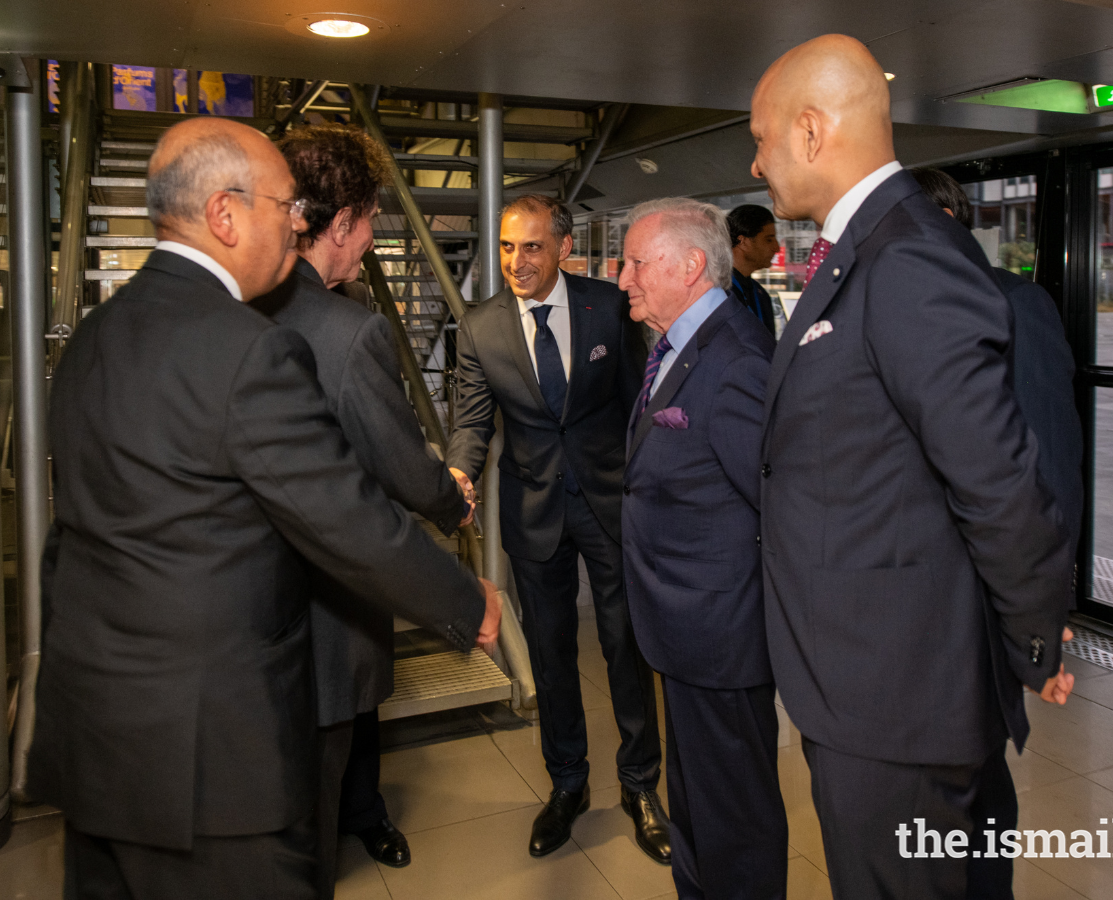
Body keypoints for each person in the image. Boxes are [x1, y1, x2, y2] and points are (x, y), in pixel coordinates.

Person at [29, 117, 501, 900]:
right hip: (209, 755)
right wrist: (465, 600)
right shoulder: (248, 349)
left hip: (96, 735)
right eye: (284, 205)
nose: (295, 221)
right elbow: (350, 522)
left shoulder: (95, 334)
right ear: (224, 214)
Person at [747, 35, 1075, 899]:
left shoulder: (908, 258)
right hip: (865, 680)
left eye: (763, 137)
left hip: (895, 699)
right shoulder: (864, 251)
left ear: (812, 131)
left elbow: (997, 479)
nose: (756, 159)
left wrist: (1032, 635)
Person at [252, 124, 473, 895]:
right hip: (326, 606)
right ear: (340, 221)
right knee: (310, 801)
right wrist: (452, 498)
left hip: (242, 614)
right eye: (371, 222)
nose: (373, 241)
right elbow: (402, 468)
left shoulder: (237, 306)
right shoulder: (350, 333)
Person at [445, 194, 670, 863]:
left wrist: (653, 487)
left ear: (564, 247)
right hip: (534, 510)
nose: (517, 262)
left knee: (626, 643)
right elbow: (472, 421)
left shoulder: (608, 305)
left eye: (533, 247)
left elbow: (640, 403)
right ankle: (567, 783)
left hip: (610, 503)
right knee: (551, 651)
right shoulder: (479, 326)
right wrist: (459, 472)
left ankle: (640, 786)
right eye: (508, 247)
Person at [911, 166, 1084, 900]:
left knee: (976, 784)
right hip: (911, 606)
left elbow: (1052, 468)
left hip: (984, 602)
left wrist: (1042, 615)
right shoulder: (902, 310)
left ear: (949, 217)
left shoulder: (1019, 305)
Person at [618, 197, 786, 900]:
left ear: (690, 265)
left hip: (722, 639)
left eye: (632, 262)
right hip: (684, 634)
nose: (619, 277)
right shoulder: (678, 345)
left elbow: (779, 506)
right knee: (696, 812)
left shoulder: (736, 356)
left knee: (735, 823)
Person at [727, 204, 788, 342]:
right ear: (742, 241)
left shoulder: (761, 294)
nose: (777, 248)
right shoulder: (715, 292)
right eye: (769, 239)